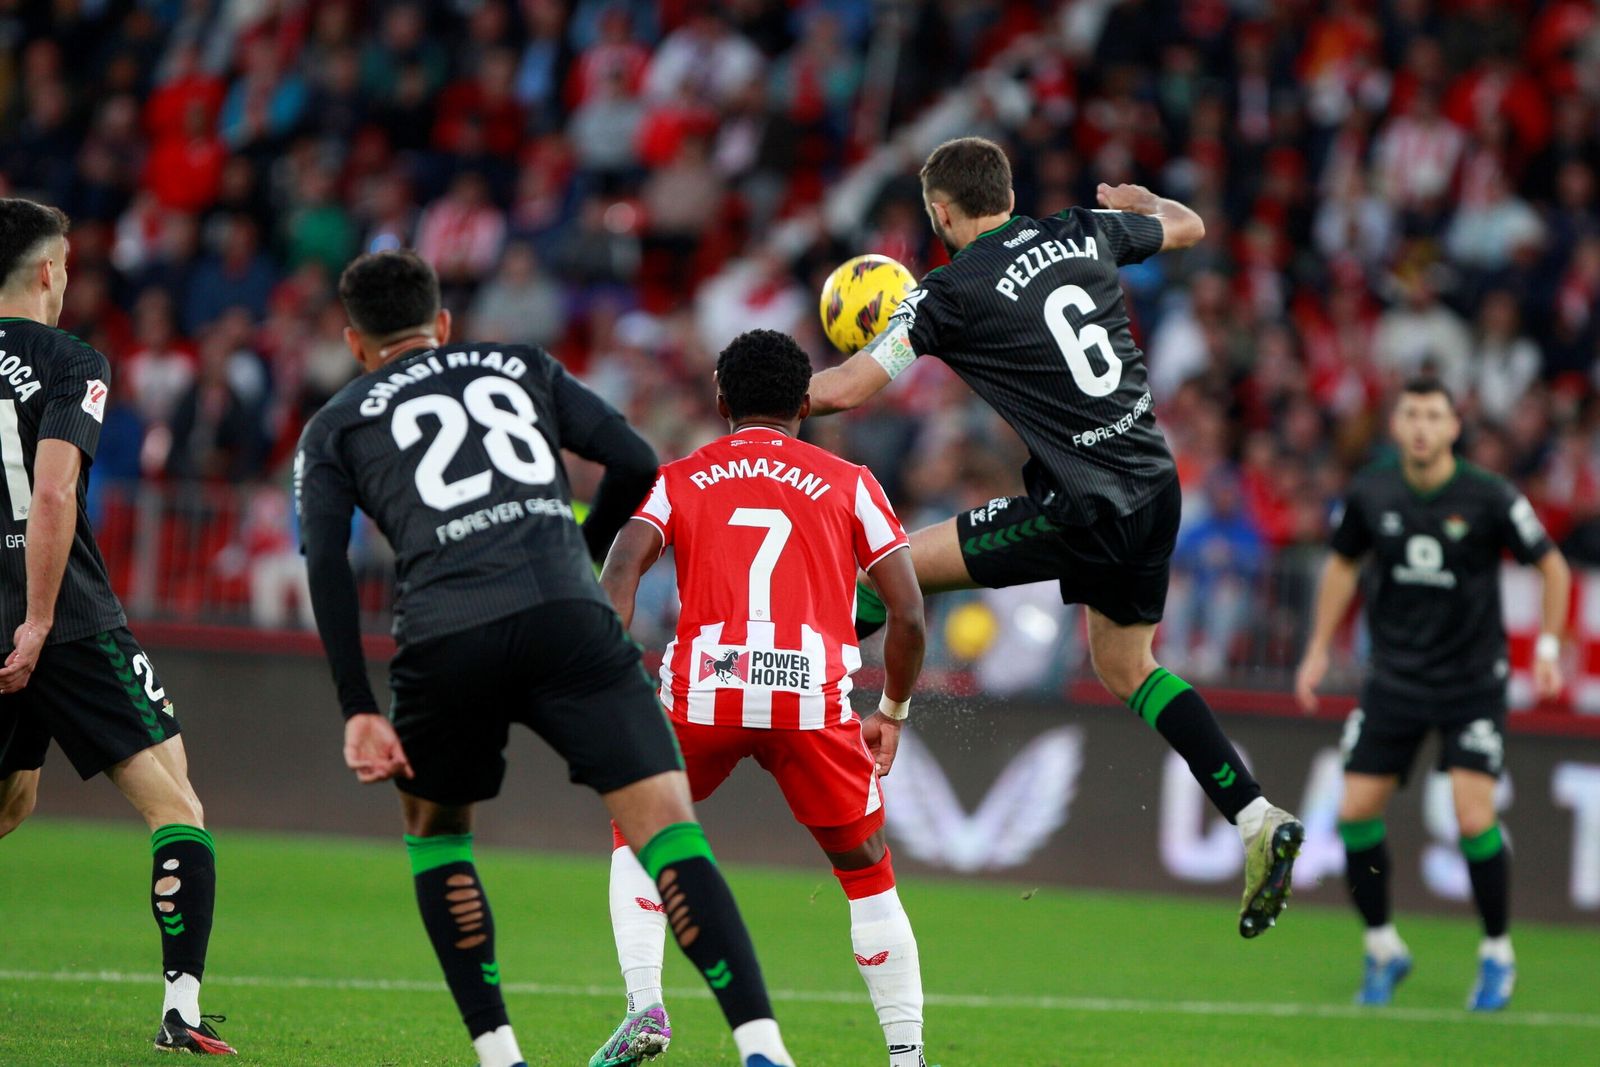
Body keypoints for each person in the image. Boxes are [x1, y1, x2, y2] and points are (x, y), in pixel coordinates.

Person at [295, 250, 796, 1067]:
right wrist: (579, 555)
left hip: (445, 633)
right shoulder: (519, 364)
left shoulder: (335, 424)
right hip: (568, 615)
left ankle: (502, 1056)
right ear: (443, 323)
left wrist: (357, 704)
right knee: (667, 827)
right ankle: (762, 1045)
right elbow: (635, 459)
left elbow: (325, 560)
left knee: (437, 833)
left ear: (355, 343)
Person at [808, 136, 1303, 937]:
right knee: (1126, 665)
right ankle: (1255, 816)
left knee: (885, 571)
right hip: (1153, 487)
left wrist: (763, 394)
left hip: (1083, 507)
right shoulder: (1082, 229)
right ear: (1007, 194)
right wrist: (1144, 203)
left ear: (941, 212)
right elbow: (1189, 226)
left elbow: (845, 389)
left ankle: (796, 691)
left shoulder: (946, 293)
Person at [596, 329, 929, 1067]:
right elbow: (908, 612)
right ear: (807, 404)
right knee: (866, 870)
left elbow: (621, 568)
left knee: (638, 827)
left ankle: (645, 1005)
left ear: (721, 402)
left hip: (703, 693)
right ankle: (907, 1057)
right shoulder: (852, 482)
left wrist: (610, 682)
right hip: (809, 699)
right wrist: (892, 711)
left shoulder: (680, 476)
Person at [0, 198, 236, 1055]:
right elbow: (53, 491)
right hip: (63, 618)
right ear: (47, 271)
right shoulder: (71, 361)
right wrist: (36, 620)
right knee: (177, 804)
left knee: (12, 801)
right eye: (65, 262)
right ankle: (181, 1006)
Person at [1295, 378, 1570, 1011]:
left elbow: (1552, 566)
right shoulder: (1371, 491)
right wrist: (1318, 648)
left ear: (1453, 427)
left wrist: (1549, 650)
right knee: (1354, 814)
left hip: (1471, 682)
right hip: (1394, 679)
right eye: (1412, 415)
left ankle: (1497, 954)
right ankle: (1382, 947)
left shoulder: (1490, 495)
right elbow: (1342, 564)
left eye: (1434, 416)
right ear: (1396, 426)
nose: (1422, 426)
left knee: (1473, 817)